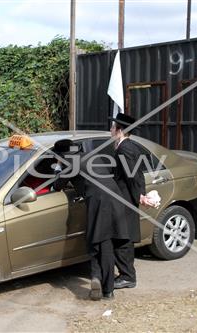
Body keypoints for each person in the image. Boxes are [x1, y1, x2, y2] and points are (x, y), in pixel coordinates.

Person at [53, 139, 129, 300]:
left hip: (100, 204)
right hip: (115, 200)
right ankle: (101, 283)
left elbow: (57, 186)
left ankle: (103, 285)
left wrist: (58, 167)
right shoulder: (90, 156)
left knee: (99, 242)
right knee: (103, 242)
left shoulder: (70, 163)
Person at [110, 113, 149, 289]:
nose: (110, 129)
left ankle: (127, 276)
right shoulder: (126, 145)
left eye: (113, 127)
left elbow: (132, 175)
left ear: (120, 130)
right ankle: (126, 274)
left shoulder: (125, 149)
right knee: (122, 236)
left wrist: (139, 196)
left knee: (123, 237)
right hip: (125, 196)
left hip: (125, 198)